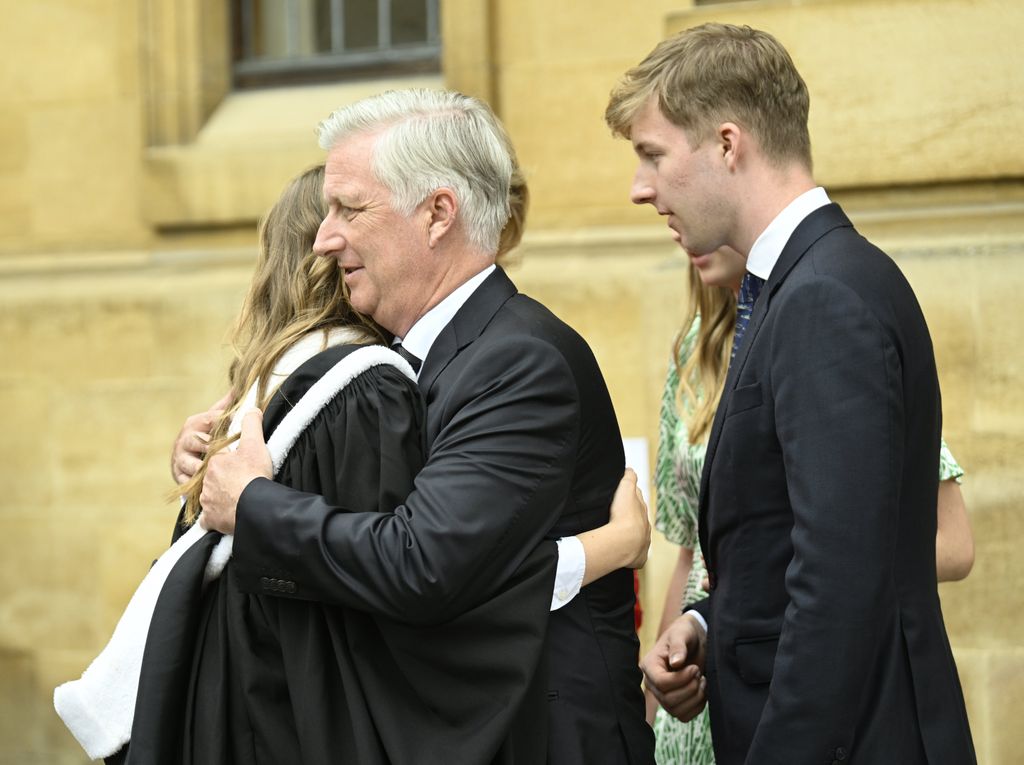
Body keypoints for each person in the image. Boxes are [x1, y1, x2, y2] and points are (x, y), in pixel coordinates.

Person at [189, 89, 654, 764]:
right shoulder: (394, 359)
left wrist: (255, 505)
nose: (324, 239)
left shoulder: (517, 360)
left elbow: (425, 564)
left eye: (349, 208)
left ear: (438, 214)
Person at [606, 23, 975, 764]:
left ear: (728, 143)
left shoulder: (822, 298)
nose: (640, 188)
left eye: (653, 155)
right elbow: (792, 539)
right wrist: (709, 623)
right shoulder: (799, 285)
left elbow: (838, 584)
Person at [647, 248, 975, 764]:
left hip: (798, 681)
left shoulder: (827, 326)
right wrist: (656, 697)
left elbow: (953, 545)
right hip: (701, 690)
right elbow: (690, 551)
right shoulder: (692, 355)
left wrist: (773, 578)